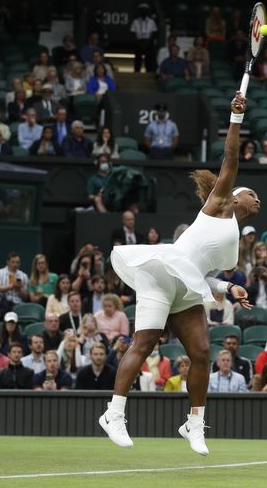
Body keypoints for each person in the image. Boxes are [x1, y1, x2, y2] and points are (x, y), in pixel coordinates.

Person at [101, 92, 258, 455]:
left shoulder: (234, 240)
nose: (257, 199)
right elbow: (230, 159)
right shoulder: (218, 204)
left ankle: (194, 423)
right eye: (252, 194)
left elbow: (200, 274)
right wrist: (235, 119)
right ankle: (114, 413)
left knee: (202, 352)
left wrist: (227, 286)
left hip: (187, 287)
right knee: (143, 342)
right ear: (233, 197)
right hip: (162, 272)